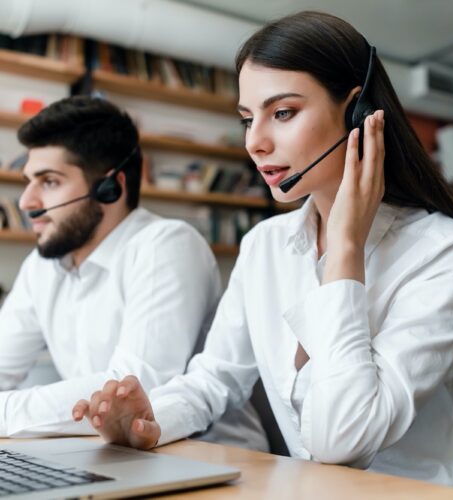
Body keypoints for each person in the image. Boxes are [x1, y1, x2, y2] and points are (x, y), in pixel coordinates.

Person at [73, 11, 453, 486]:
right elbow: (216, 379)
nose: (255, 142)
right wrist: (149, 420)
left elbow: (344, 440)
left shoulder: (449, 253)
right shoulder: (263, 246)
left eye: (283, 113)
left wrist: (345, 249)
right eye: (247, 119)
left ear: (356, 113)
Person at [0, 96, 268, 452]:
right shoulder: (43, 266)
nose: (26, 202)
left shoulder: (166, 245)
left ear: (111, 188)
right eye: (29, 181)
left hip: (215, 459)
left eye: (49, 182)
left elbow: (133, 388)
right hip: (112, 455)